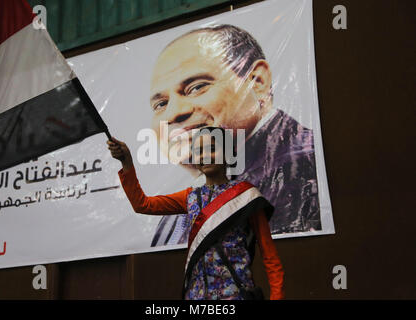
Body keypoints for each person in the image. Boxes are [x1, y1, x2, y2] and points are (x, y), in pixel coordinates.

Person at [149, 24, 320, 245]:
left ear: (257, 82)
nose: (173, 113)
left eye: (197, 87)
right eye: (161, 104)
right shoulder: (182, 206)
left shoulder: (308, 167)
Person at [107, 127, 284, 300]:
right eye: (199, 151)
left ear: (229, 153)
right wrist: (127, 162)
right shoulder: (190, 197)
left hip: (235, 295)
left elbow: (270, 256)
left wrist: (277, 295)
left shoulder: (246, 196)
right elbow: (142, 205)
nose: (204, 155)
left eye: (212, 149)